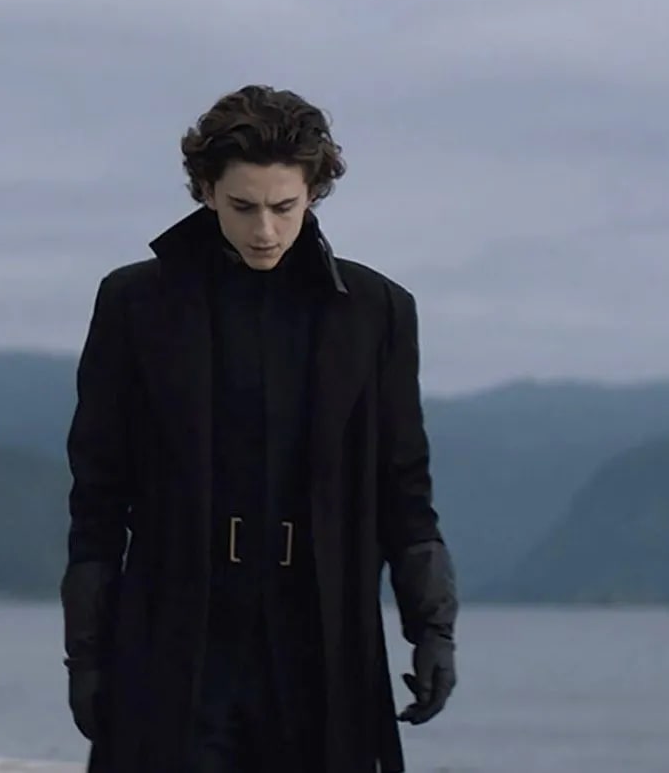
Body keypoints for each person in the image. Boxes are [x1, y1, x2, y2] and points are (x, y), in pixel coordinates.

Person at [61, 85, 459, 773]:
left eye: (285, 207)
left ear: (314, 194)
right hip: (175, 632)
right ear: (206, 191)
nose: (265, 231)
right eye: (243, 207)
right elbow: (97, 495)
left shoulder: (376, 311)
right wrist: (87, 656)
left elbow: (404, 486)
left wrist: (432, 630)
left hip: (319, 637)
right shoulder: (135, 303)